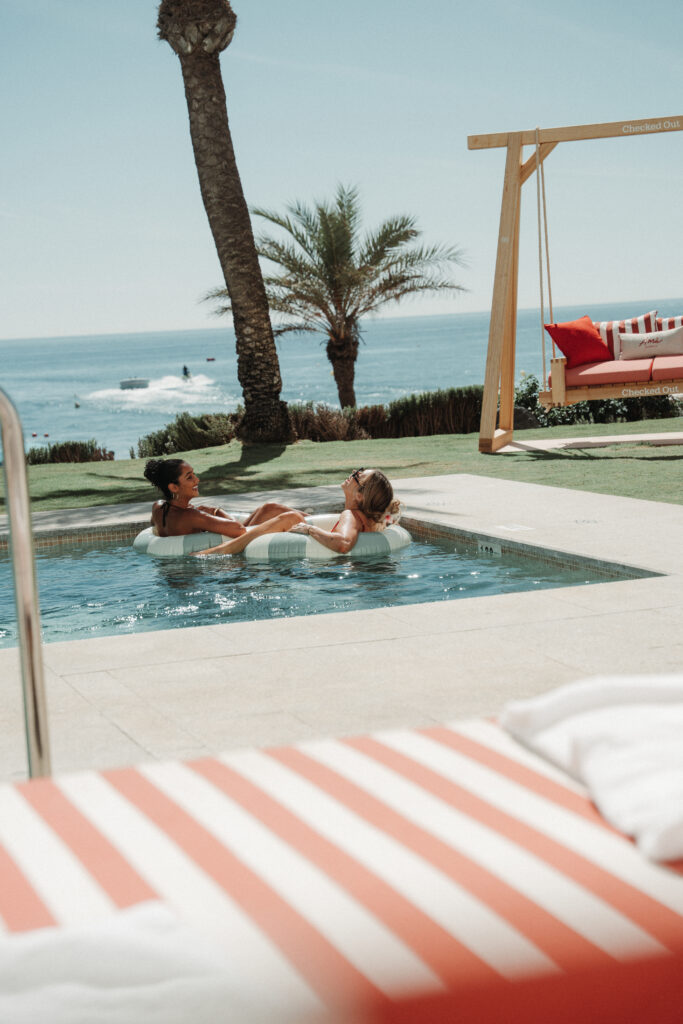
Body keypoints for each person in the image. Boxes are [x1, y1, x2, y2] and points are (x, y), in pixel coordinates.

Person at [143, 459, 305, 552]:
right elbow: (239, 530)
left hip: (219, 541)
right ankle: (316, 526)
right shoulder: (192, 516)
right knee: (286, 516)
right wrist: (215, 510)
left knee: (269, 508)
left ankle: (317, 522)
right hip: (233, 552)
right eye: (189, 477)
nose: (197, 480)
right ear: (173, 487)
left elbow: (155, 525)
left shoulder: (158, 507)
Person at [289, 468, 401, 554]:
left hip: (336, 574)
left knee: (287, 517)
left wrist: (309, 529)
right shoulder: (368, 519)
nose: (353, 472)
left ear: (359, 496)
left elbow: (344, 544)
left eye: (358, 475)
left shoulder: (350, 516)